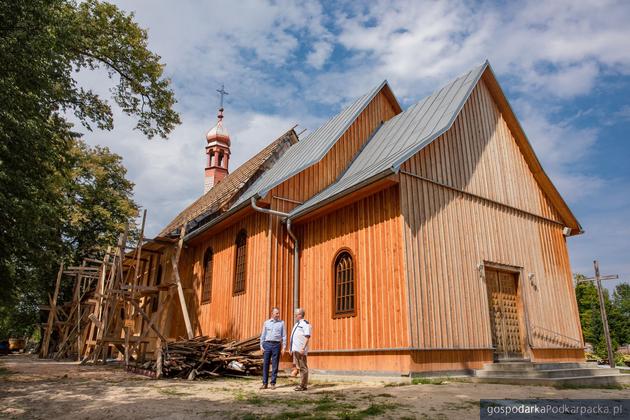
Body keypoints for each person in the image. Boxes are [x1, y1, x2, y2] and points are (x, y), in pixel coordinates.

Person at [259, 307, 286, 390]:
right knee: (266, 364)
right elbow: (263, 335)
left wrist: (284, 347)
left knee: (275, 365)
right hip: (267, 344)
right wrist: (261, 346)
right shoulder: (266, 323)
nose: (278, 315)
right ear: (272, 313)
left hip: (276, 345)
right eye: (276, 313)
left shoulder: (281, 323)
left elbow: (284, 336)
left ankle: (273, 383)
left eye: (278, 313)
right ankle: (264, 383)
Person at [289, 307, 311, 391]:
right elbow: (293, 337)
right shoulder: (297, 324)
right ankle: (302, 384)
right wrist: (291, 349)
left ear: (300, 315)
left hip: (301, 349)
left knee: (303, 367)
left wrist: (303, 348)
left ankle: (303, 385)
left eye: (296, 314)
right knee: (300, 367)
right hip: (296, 349)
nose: (295, 315)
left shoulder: (305, 324)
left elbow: (307, 336)